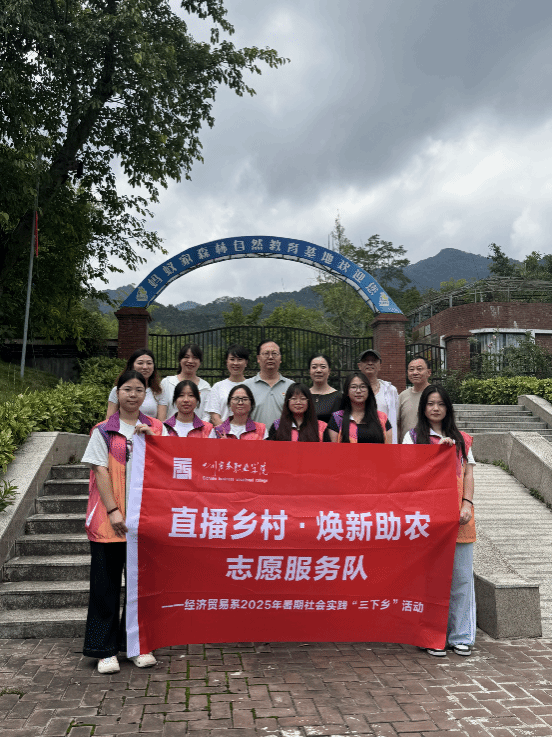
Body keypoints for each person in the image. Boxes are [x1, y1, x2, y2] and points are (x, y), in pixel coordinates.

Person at [82, 370, 165, 674]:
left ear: (146, 395)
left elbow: (170, 466)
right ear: (117, 393)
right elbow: (100, 470)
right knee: (104, 586)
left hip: (144, 523)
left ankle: (138, 646)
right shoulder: (104, 430)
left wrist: (153, 440)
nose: (133, 394)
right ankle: (103, 651)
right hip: (109, 521)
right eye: (127, 389)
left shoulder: (157, 428)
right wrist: (114, 510)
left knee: (140, 589)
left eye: (139, 390)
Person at [403, 384, 475, 658]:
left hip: (459, 517)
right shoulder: (413, 437)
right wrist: (436, 455)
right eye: (430, 403)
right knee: (430, 580)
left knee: (461, 578)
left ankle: (461, 636)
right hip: (426, 519)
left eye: (441, 404)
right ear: (423, 408)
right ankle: (431, 635)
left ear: (448, 408)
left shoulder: (462, 439)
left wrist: (467, 504)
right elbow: (407, 474)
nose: (435, 408)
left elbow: (468, 474)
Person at [327, 372, 392, 443]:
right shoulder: (337, 418)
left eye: (363, 387)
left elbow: (389, 447)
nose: (358, 391)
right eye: (353, 387)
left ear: (368, 391)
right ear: (347, 391)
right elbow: (334, 448)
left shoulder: (382, 418)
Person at [244, 339, 293, 428]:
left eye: (274, 354)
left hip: (284, 436)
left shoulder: (291, 386)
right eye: (266, 354)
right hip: (255, 435)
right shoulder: (246, 386)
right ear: (258, 358)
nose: (270, 357)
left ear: (280, 358)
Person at [106, 349, 167, 420]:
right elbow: (109, 420)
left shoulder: (159, 391)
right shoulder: (118, 390)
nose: (145, 367)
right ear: (132, 365)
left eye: (149, 363)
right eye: (140, 363)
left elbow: (161, 422)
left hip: (151, 427)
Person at [357, 349, 399, 443]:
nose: (370, 363)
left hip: (385, 441)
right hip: (359, 440)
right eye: (366, 360)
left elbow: (395, 418)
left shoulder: (390, 390)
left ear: (380, 365)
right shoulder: (354, 391)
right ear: (359, 366)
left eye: (374, 360)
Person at [161, 344, 211, 420]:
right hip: (169, 427)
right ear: (180, 360)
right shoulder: (167, 383)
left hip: (198, 427)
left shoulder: (205, 387)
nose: (190, 361)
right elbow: (162, 411)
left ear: (200, 362)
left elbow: (206, 415)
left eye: (195, 358)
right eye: (186, 357)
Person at [206, 344, 250, 426]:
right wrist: (226, 431)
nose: (235, 363)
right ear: (226, 362)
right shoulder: (218, 387)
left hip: (249, 431)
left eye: (240, 359)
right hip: (223, 432)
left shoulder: (251, 385)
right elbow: (214, 416)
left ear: (246, 363)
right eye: (232, 359)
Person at [398, 355, 432, 441]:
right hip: (407, 445)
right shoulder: (402, 396)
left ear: (429, 372)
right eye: (411, 369)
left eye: (419, 369)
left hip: (431, 445)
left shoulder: (436, 394)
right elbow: (398, 424)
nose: (415, 373)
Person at [308, 353, 342, 423]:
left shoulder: (338, 397)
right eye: (314, 367)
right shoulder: (304, 395)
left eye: (323, 367)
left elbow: (340, 424)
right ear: (309, 371)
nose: (318, 370)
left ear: (329, 371)